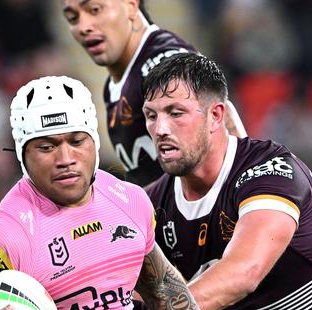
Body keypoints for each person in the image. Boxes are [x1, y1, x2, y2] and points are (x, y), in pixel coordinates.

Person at [0, 75, 278, 310]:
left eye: (77, 141)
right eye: (46, 147)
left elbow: (161, 290)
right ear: (23, 155)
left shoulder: (129, 200)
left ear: (94, 142)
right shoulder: (1, 234)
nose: (66, 158)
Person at [142, 53, 312, 310]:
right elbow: (124, 301)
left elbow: (243, 272)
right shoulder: (150, 206)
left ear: (216, 116)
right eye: (151, 116)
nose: (161, 129)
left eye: (175, 113)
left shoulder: (273, 172)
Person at [61, 0, 246, 187]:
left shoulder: (164, 61)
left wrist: (246, 196)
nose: (83, 27)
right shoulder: (113, 86)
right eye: (73, 18)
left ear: (131, 5)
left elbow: (222, 119)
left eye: (94, 10)